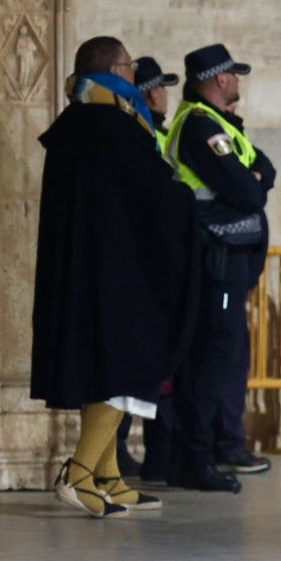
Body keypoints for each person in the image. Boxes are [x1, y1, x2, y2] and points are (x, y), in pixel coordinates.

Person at [30, 36, 198, 517]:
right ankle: (79, 471)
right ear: (114, 69)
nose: (134, 73)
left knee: (104, 368)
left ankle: (108, 475)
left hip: (92, 268)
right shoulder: (111, 124)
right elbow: (151, 191)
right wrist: (185, 202)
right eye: (130, 65)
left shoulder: (81, 121)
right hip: (119, 272)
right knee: (127, 365)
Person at [166, 44, 276, 492]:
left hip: (227, 260)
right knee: (212, 359)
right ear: (220, 79)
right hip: (215, 259)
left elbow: (264, 171)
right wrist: (250, 185)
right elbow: (249, 193)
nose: (237, 82)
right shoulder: (199, 127)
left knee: (219, 357)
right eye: (233, 75)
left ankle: (202, 454)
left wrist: (252, 181)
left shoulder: (218, 125)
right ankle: (197, 457)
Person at [113, 55, 184, 483]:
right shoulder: (137, 132)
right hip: (141, 261)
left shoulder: (155, 131)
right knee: (131, 363)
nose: (162, 94)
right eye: (157, 86)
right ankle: (117, 450)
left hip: (157, 257)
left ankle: (156, 453)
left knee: (158, 365)